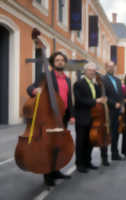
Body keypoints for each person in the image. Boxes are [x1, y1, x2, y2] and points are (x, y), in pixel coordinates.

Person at [27, 51, 74, 186]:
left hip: (63, 116)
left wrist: (72, 115)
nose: (60, 62)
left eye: (62, 60)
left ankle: (56, 171)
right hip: (49, 116)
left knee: (59, 146)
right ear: (53, 62)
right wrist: (34, 91)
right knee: (48, 147)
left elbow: (69, 98)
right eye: (57, 60)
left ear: (64, 62)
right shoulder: (45, 76)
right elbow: (31, 87)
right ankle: (48, 175)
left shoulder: (67, 79)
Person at [73, 63, 109, 173]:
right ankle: (80, 164)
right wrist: (95, 101)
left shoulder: (95, 85)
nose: (92, 72)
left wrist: (103, 99)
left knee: (90, 141)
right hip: (82, 116)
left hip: (94, 117)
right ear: (85, 71)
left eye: (94, 71)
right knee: (81, 142)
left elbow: (99, 98)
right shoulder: (78, 84)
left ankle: (88, 162)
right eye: (90, 70)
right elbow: (79, 101)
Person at [102, 61, 125, 161]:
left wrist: (122, 105)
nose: (111, 68)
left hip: (118, 111)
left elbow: (121, 95)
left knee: (116, 133)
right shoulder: (102, 79)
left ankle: (115, 154)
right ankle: (105, 157)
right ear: (106, 67)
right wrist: (113, 103)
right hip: (107, 111)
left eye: (112, 66)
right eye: (109, 66)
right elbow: (103, 95)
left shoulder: (118, 80)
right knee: (106, 134)